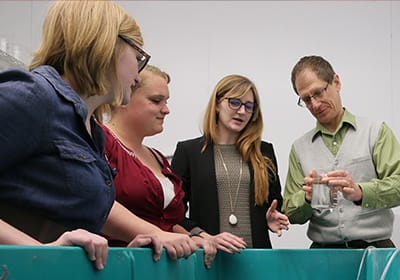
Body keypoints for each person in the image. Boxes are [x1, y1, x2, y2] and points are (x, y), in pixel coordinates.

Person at [0, 0, 196, 267]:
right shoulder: (33, 96)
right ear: (106, 45)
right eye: (137, 56)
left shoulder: (90, 129)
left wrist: (129, 247)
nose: (138, 76)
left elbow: (79, 214)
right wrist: (40, 251)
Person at [103, 65, 216, 268]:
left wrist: (193, 238)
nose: (166, 109)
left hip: (162, 267)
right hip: (116, 265)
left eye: (166, 101)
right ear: (124, 97)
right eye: (156, 101)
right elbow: (96, 204)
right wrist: (158, 234)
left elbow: (167, 223)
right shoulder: (102, 142)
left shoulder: (157, 157)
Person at [282, 55, 400, 248]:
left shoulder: (376, 132)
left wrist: (361, 192)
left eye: (318, 92)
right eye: (306, 99)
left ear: (336, 82)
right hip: (323, 257)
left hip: (375, 250)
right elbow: (290, 211)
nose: (315, 105)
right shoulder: (300, 148)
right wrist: (307, 198)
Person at [171, 74, 289, 252]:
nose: (242, 111)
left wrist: (271, 217)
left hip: (257, 257)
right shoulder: (189, 151)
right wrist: (203, 237)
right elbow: (174, 213)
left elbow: (274, 203)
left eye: (249, 106)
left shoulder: (264, 152)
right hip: (209, 257)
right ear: (217, 104)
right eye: (234, 102)